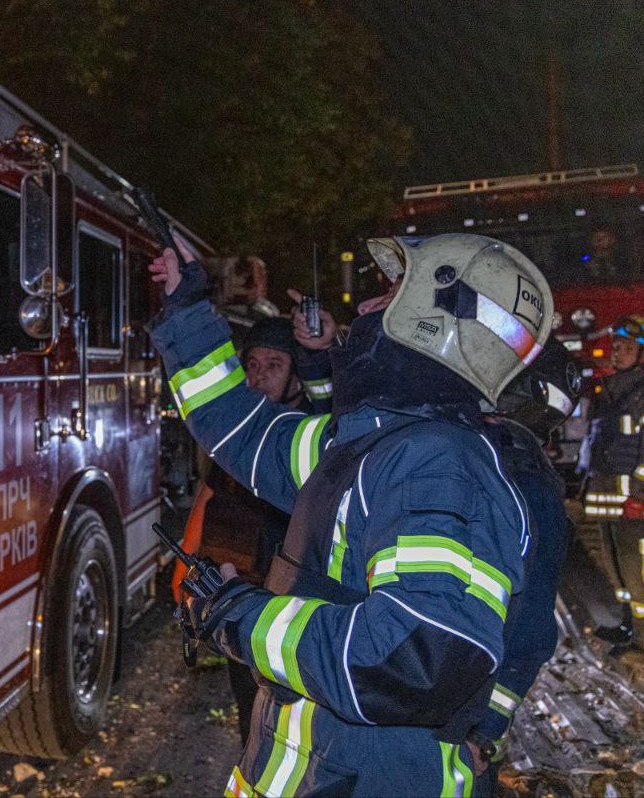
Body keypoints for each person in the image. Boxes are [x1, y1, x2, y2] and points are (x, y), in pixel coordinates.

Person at [149, 232, 552, 796]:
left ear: (433, 320)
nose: (363, 308)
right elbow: (240, 430)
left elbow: (414, 658)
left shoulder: (435, 465)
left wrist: (241, 617)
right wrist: (190, 308)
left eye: (387, 295)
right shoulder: (374, 442)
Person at [170, 311, 335, 743]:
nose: (258, 377)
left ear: (297, 378)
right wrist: (183, 568)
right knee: (253, 716)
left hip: (296, 608)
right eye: (252, 365)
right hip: (242, 596)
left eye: (274, 366)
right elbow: (210, 495)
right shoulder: (243, 435)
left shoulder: (309, 435)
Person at [467, 337, 581, 787]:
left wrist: (482, 734)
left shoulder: (515, 479)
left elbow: (531, 635)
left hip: (451, 724)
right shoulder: (525, 476)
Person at [582, 315, 644, 658]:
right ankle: (630, 626)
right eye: (616, 347)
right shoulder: (612, 392)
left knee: (641, 571)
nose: (617, 353)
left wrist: (639, 494)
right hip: (611, 498)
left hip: (633, 500)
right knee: (618, 568)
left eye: (627, 348)